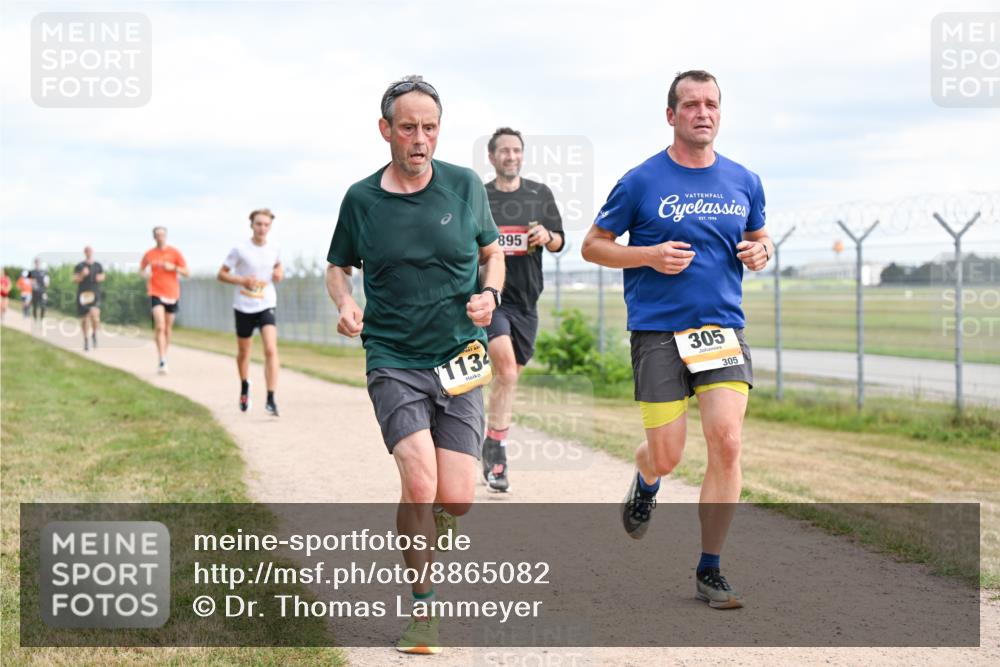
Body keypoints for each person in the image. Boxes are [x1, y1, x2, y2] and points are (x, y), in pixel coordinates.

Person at [325, 75, 504, 654]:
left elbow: (491, 250)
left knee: (457, 497)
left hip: (459, 359)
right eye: (408, 128)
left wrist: (491, 295)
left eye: (429, 128)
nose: (420, 139)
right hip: (394, 357)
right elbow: (337, 267)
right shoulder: (361, 200)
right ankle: (423, 608)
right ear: (386, 131)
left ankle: (420, 520)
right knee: (420, 480)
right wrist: (346, 302)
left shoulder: (464, 185)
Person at [581, 70, 771, 610]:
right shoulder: (641, 181)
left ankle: (710, 569)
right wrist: (648, 255)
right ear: (671, 116)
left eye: (711, 103)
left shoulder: (744, 181)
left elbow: (758, 238)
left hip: (720, 329)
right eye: (691, 105)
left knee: (728, 441)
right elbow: (593, 246)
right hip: (659, 332)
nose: (702, 112)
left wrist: (763, 252)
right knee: (668, 455)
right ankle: (646, 478)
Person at [481, 127, 565, 492]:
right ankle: (497, 453)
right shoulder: (479, 197)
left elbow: (561, 240)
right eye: (504, 151)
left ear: (522, 155)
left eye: (516, 150)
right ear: (492, 157)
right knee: (506, 373)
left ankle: (488, 436)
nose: (510, 156)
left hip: (527, 303)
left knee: (508, 376)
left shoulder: (539, 194)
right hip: (492, 297)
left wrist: (548, 236)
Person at [217, 208, 283, 416]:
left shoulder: (275, 248)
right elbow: (221, 274)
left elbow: (278, 266)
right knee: (244, 351)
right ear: (251, 225)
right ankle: (245, 384)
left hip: (266, 303)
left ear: (270, 227)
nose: (262, 228)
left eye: (266, 224)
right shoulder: (240, 249)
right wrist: (242, 280)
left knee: (271, 349)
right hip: (244, 305)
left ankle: (271, 398)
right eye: (258, 224)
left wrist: (279, 272)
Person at [140, 227, 189, 374]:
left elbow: (187, 272)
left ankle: (164, 355)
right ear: (154, 237)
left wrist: (174, 267)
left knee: (167, 329)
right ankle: (162, 359)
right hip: (155, 292)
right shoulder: (149, 254)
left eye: (162, 235)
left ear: (166, 236)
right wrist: (145, 275)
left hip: (172, 294)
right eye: (157, 235)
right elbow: (141, 270)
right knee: (160, 326)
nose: (160, 237)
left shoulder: (175, 253)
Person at [73, 247, 106, 351]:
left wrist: (99, 278)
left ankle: (94, 334)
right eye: (87, 251)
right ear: (84, 252)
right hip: (83, 294)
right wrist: (82, 274)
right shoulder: (80, 266)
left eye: (90, 251)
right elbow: (74, 279)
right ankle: (86, 340)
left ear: (92, 252)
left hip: (95, 293)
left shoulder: (98, 265)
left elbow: (103, 276)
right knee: (85, 318)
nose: (89, 253)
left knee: (95, 316)